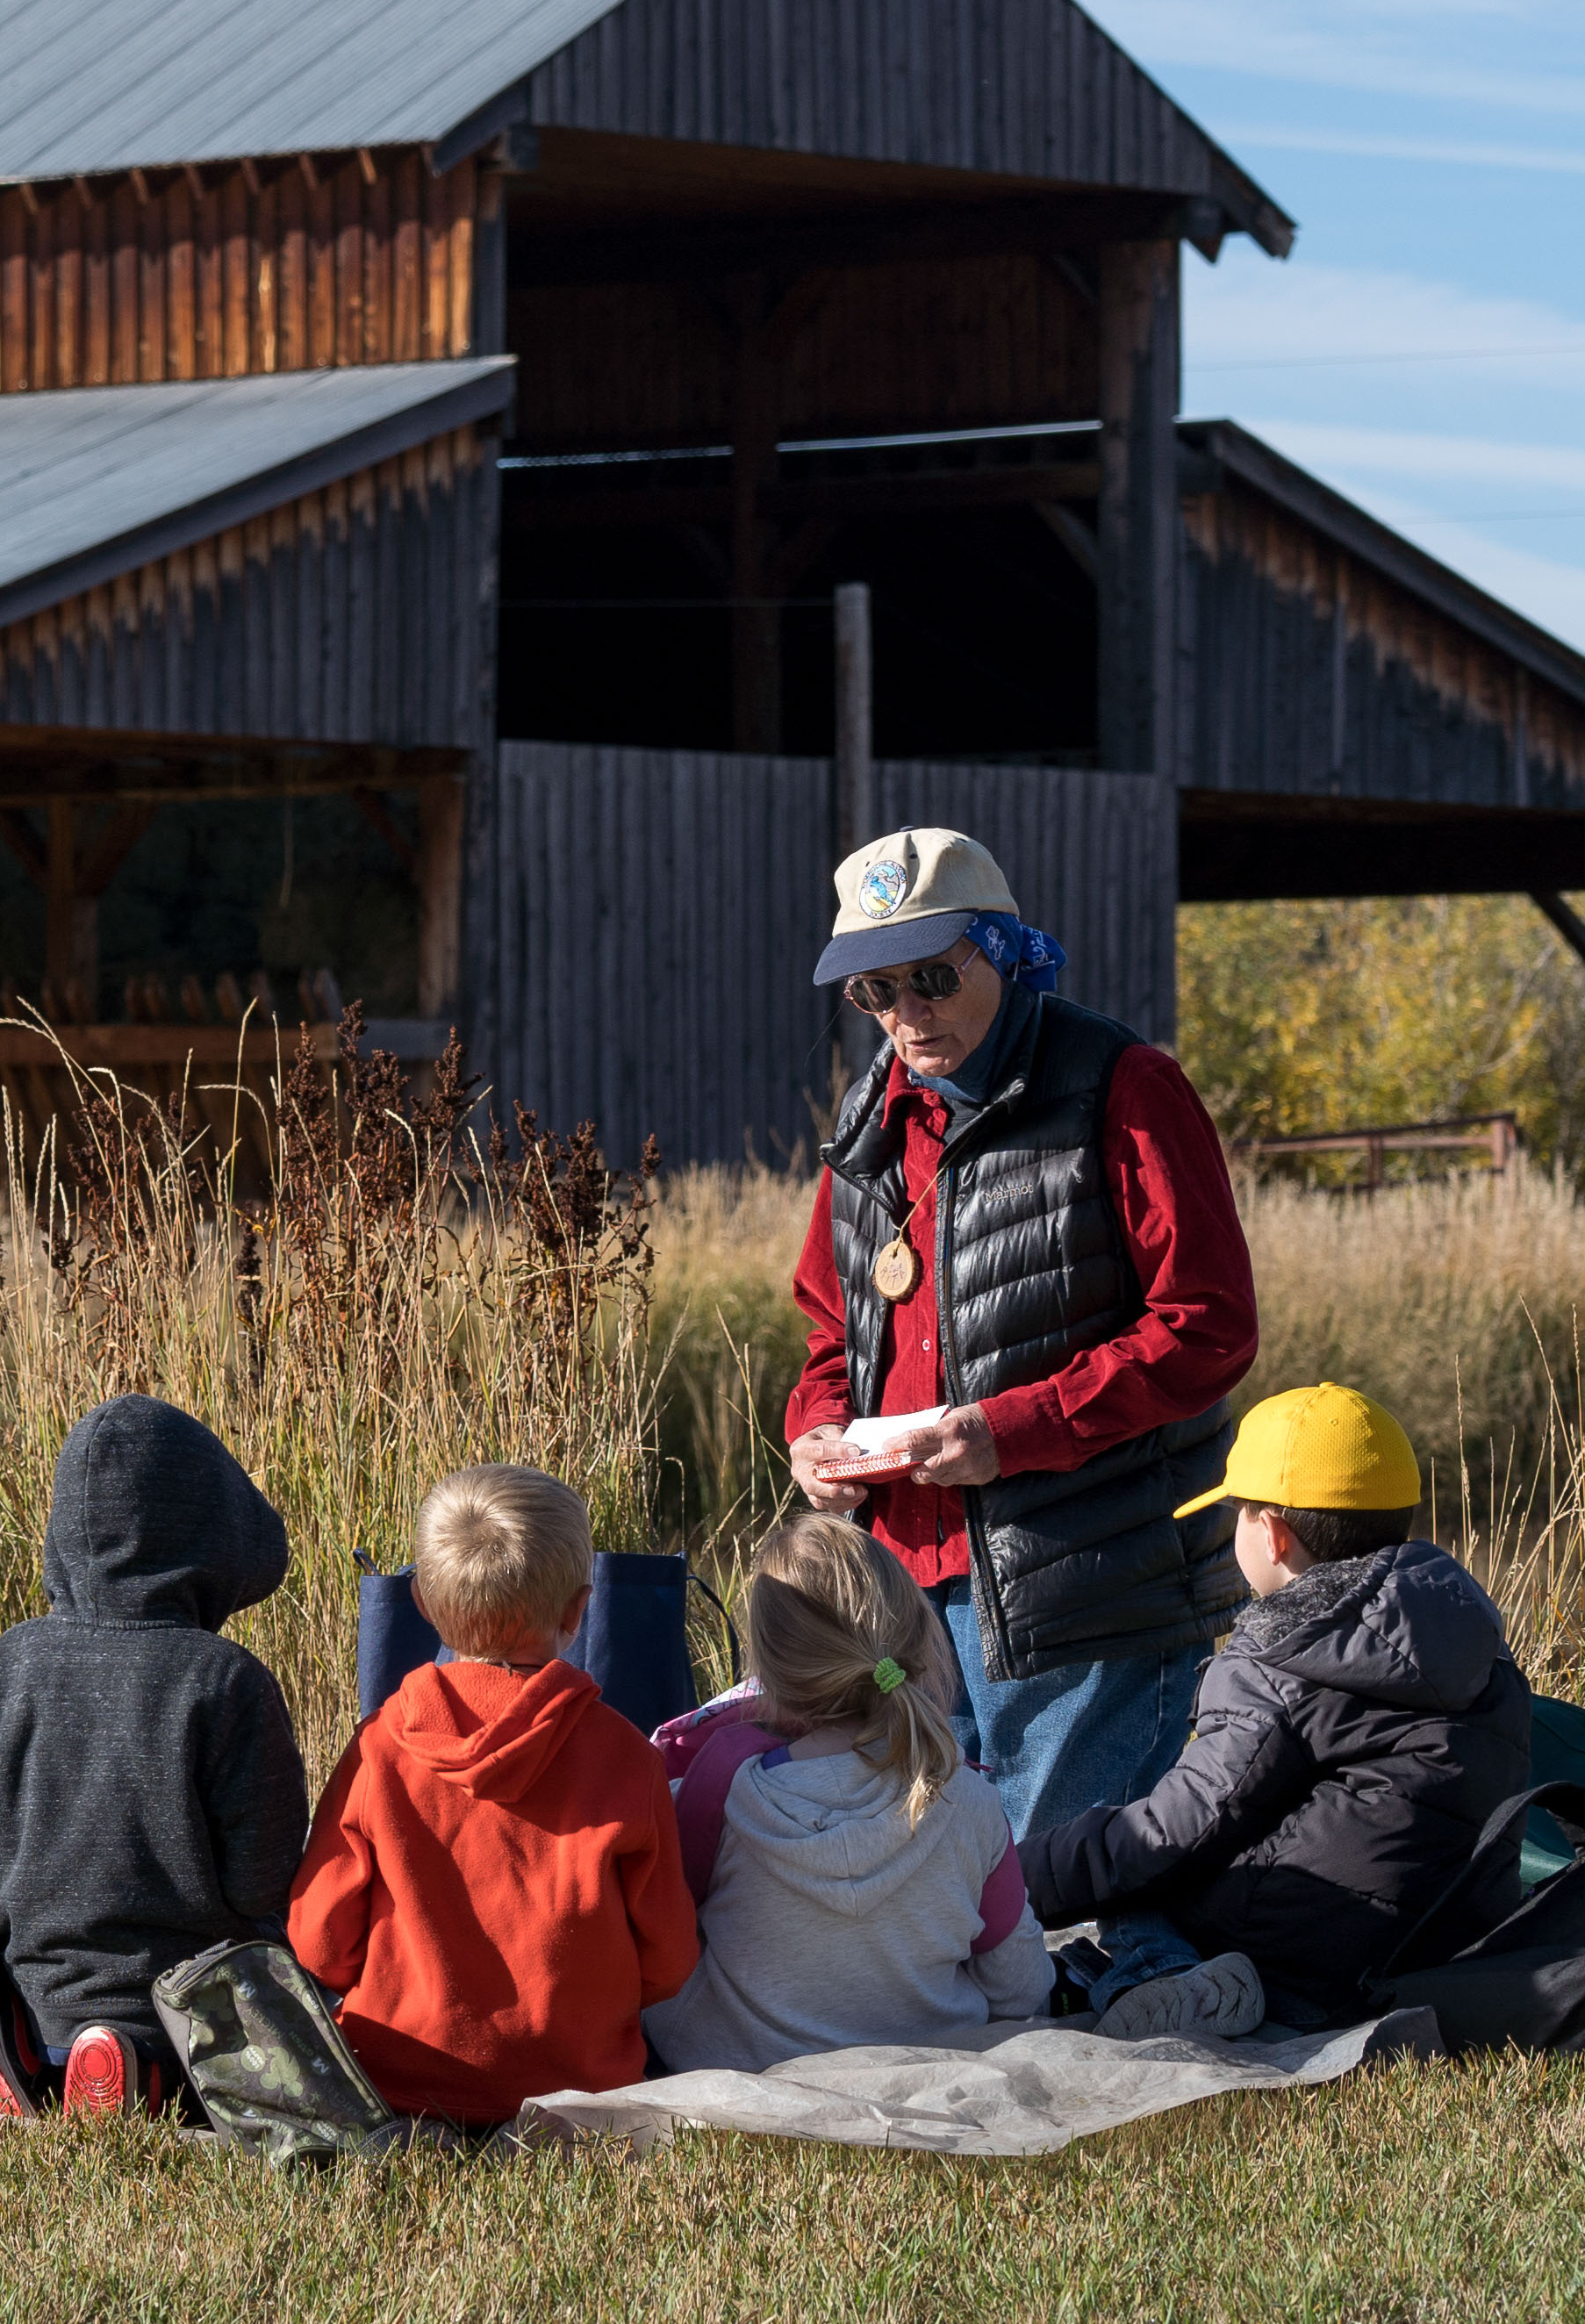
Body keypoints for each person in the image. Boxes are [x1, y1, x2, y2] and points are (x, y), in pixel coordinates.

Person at [783, 825, 1259, 1838]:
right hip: (904, 1592)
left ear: (1000, 950)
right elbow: (832, 1335)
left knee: (1075, 1904)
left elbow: (1208, 1327)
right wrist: (816, 1432)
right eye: (872, 992)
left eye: (928, 978)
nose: (905, 1015)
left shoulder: (1122, 1085)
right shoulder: (870, 1117)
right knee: (951, 1915)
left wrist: (1012, 1428)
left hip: (1086, 1584)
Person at [1026, 1384, 1535, 2041]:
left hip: (1302, 1967)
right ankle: (1101, 1976)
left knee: (1133, 1891)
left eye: (1236, 1515)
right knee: (1105, 1920)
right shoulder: (1463, 1628)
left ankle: (1157, 1973)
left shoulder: (1280, 1656)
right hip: (1441, 1943)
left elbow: (1178, 1830)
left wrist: (1013, 1879)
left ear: (1270, 1535)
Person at [284, 1465, 692, 2125]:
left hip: (399, 2086)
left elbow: (319, 1946)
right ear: (578, 1609)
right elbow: (669, 1959)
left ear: (418, 1604)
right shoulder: (626, 1757)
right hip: (579, 2092)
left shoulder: (379, 1749)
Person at [0, 1395, 305, 2118]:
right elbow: (261, 1882)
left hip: (36, 1986)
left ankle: (19, 2048)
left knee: (19, 1971)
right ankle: (135, 2065)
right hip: (188, 2008)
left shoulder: (2, 1665)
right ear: (213, 1535)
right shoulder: (223, 1680)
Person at [639, 1516, 1056, 2074]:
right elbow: (1021, 1985)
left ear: (769, 1669)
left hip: (739, 2065)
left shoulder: (711, 1794)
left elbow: (657, 1956)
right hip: (934, 2060)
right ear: (914, 1640)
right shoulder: (968, 1797)